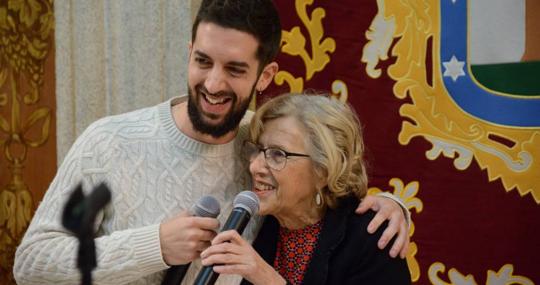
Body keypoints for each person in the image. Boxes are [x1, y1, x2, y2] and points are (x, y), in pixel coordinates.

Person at [14, 1, 409, 284]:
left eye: (235, 69)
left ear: (266, 74)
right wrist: (155, 245)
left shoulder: (263, 140)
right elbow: (33, 262)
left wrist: (395, 206)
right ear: (189, 54)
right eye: (203, 61)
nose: (214, 84)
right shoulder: (109, 144)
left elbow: (323, 189)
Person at [200, 93, 411, 284]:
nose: (254, 166)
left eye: (277, 154)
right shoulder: (263, 223)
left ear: (323, 170)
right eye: (257, 150)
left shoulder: (371, 238)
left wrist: (266, 278)